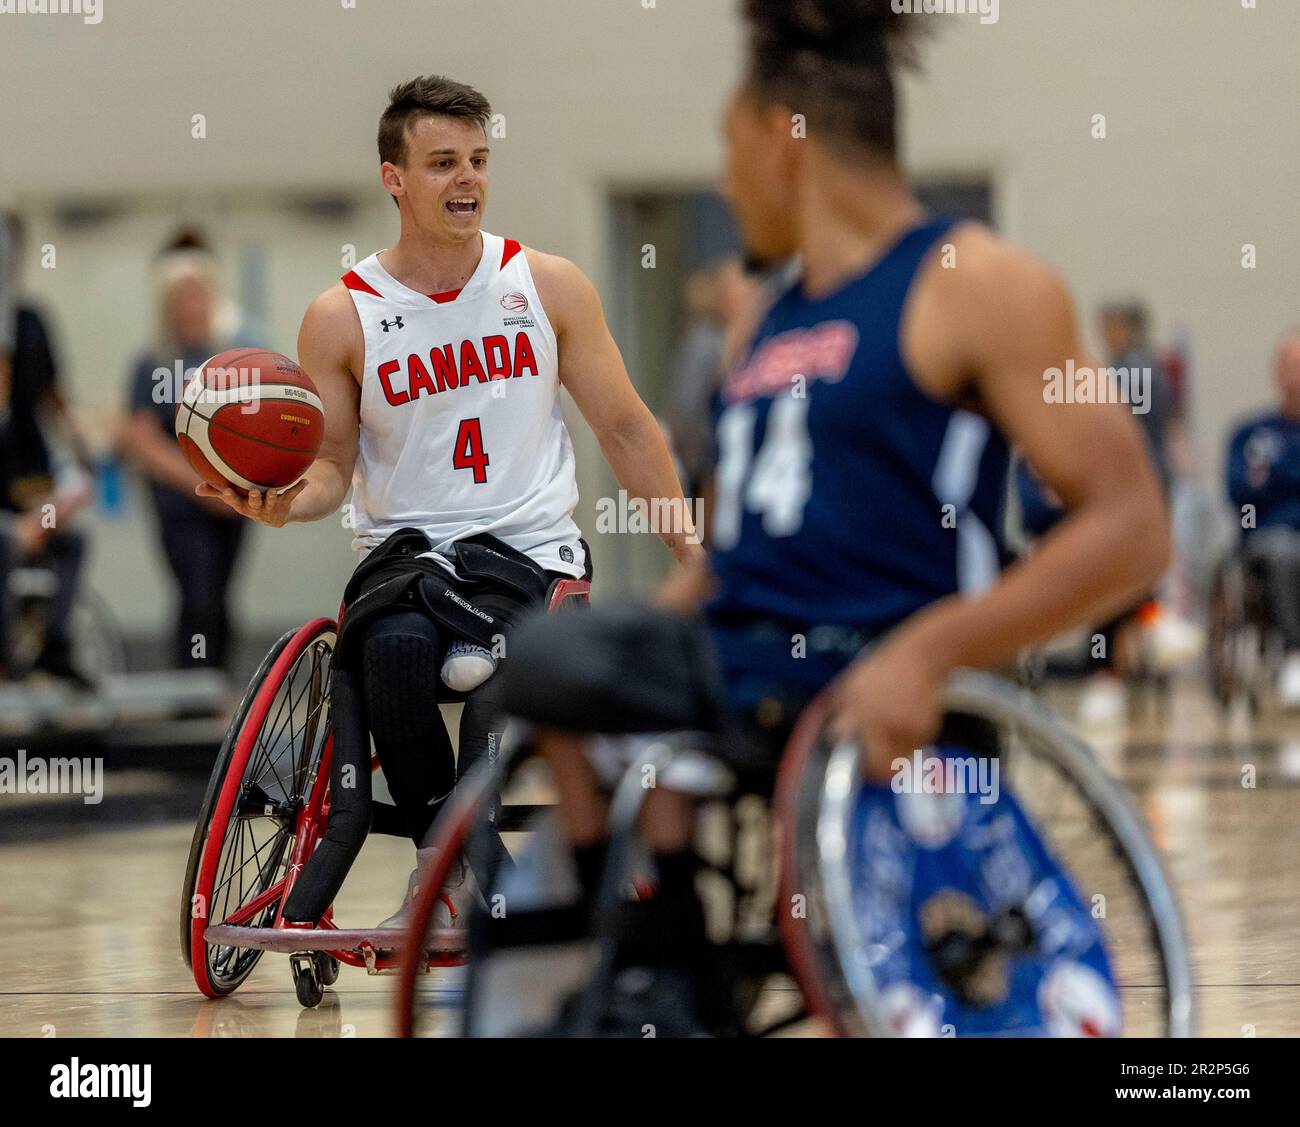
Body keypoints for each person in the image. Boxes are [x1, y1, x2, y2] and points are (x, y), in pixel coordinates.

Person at [508, 0, 1171, 1033]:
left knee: (567, 663)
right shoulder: (769, 321)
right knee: (547, 657)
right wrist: (634, 623)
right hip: (741, 652)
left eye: (730, 153)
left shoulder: (974, 282)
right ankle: (658, 953)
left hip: (872, 659)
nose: (726, 185)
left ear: (783, 142)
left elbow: (1131, 528)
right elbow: (725, 549)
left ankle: (666, 957)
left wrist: (928, 653)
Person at [199, 75, 702, 928]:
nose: (466, 179)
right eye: (441, 163)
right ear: (394, 178)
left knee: (507, 672)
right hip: (406, 562)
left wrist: (695, 553)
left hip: (531, 552)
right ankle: (456, 868)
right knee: (390, 658)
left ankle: (454, 872)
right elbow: (329, 466)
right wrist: (286, 502)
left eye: (477, 160)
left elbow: (625, 427)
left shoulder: (546, 285)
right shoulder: (342, 315)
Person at [123, 238, 248, 672]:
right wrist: (201, 488)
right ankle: (192, 687)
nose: (193, 304)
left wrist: (241, 486)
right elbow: (140, 438)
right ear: (167, 304)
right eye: (183, 295)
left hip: (233, 502)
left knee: (220, 594)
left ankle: (220, 689)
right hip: (181, 504)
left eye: (200, 293)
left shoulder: (234, 357)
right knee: (197, 595)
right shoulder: (152, 362)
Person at [1226, 330, 1300, 707]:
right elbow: (1239, 490)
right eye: (1289, 365)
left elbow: (1264, 481)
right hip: (1267, 538)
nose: (1295, 375)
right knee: (1285, 553)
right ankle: (1293, 655)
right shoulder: (1251, 432)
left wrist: (1274, 475)